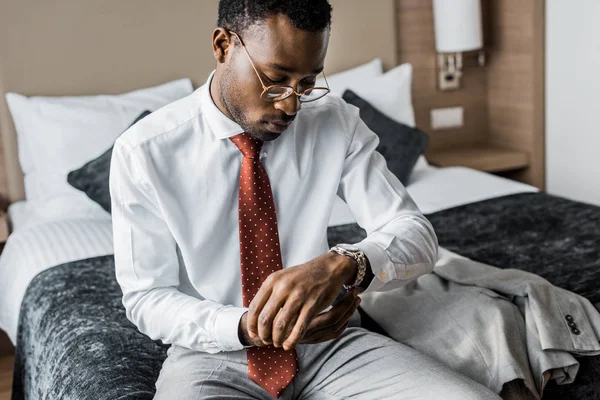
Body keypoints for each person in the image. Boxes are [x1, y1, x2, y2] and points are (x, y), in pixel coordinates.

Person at [109, 0, 502, 399]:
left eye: (308, 83)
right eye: (275, 79)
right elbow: (147, 297)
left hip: (330, 344)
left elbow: (415, 234)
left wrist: (345, 263)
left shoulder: (337, 122)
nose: (291, 105)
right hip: (213, 354)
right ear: (223, 46)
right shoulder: (143, 152)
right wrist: (248, 326)